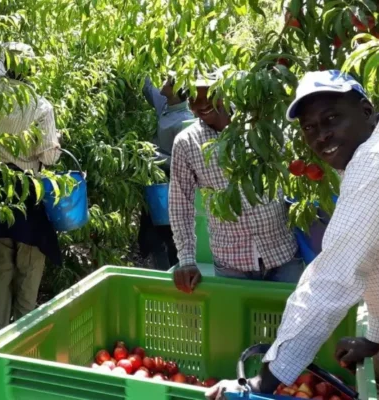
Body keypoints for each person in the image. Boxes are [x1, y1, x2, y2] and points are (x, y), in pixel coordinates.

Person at [206, 70, 379, 400]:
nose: (321, 136)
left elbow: (330, 280)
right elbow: (374, 260)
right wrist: (374, 338)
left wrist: (262, 383)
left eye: (332, 119)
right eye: (310, 128)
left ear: (366, 111)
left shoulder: (372, 164)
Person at [170, 72, 301, 293]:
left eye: (206, 96)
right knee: (238, 327)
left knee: (291, 324)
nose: (198, 106)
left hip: (282, 252)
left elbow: (293, 173)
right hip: (231, 261)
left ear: (224, 91)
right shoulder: (186, 143)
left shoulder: (260, 127)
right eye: (192, 99)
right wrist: (187, 260)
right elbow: (180, 204)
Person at [0, 42, 62, 338]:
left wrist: (1, 46)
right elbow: (49, 157)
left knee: (1, 265)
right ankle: (23, 337)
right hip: (28, 191)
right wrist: (57, 143)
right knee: (29, 266)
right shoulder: (41, 106)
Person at [138, 73, 195, 270]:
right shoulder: (165, 105)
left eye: (167, 81)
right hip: (157, 179)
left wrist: (156, 158)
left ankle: (173, 271)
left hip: (172, 183)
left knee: (169, 233)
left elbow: (186, 164)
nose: (161, 82)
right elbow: (147, 88)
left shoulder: (184, 121)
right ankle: (162, 268)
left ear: (177, 89)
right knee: (151, 231)